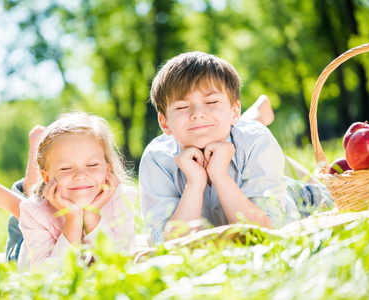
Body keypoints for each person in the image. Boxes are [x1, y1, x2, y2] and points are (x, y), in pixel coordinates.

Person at [139, 51, 332, 246]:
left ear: (234, 111)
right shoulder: (156, 159)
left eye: (212, 102)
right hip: (245, 157)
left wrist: (219, 175)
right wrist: (195, 183)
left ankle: (256, 116)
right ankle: (256, 113)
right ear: (164, 123)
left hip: (300, 201)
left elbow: (264, 233)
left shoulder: (256, 140)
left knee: (334, 197)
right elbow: (163, 246)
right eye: (182, 107)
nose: (198, 114)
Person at [0, 111, 137, 269]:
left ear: (108, 169)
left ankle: (23, 195)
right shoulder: (35, 213)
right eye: (66, 168)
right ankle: (21, 196)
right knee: (26, 222)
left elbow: (120, 262)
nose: (80, 175)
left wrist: (92, 215)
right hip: (26, 248)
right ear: (47, 177)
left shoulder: (120, 200)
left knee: (28, 209)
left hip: (36, 214)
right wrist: (72, 220)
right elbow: (48, 276)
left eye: (92, 165)